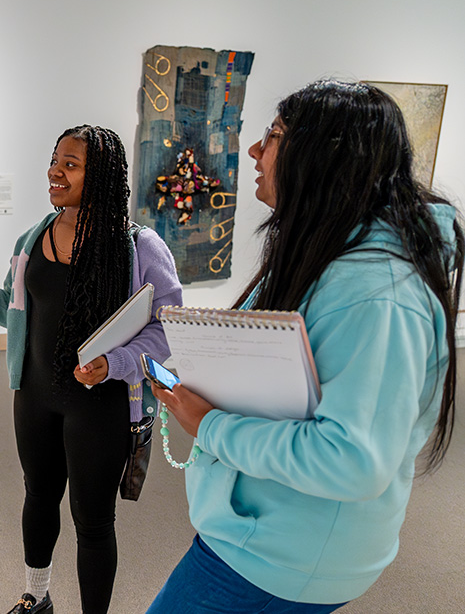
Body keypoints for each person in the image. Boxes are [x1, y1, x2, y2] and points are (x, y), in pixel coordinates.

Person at [147, 80, 463, 613]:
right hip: (266, 535)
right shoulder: (330, 253)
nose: (254, 150)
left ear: (323, 156)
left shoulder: (376, 292)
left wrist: (210, 425)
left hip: (279, 559)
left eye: (272, 136)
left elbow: (352, 460)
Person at [0, 125, 182, 613]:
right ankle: (36, 596)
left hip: (101, 406)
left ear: (102, 176)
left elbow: (169, 328)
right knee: (38, 498)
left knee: (93, 521)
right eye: (55, 161)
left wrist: (114, 363)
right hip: (34, 396)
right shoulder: (34, 238)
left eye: (70, 164)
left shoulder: (139, 246)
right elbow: (11, 309)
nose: (55, 172)